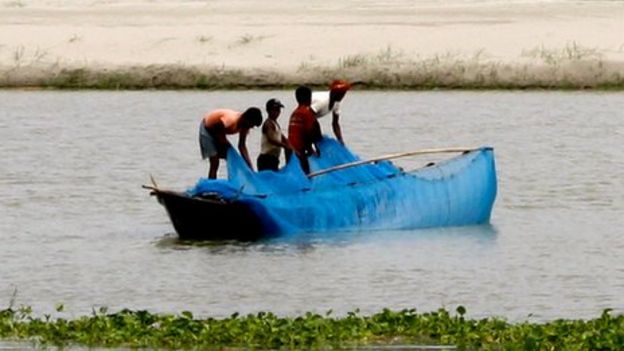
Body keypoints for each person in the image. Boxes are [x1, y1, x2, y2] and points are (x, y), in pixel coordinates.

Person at [199, 107, 262, 179]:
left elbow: (242, 146)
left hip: (219, 132)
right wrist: (228, 147)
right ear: (247, 119)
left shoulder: (245, 127)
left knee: (232, 158)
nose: (251, 127)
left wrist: (250, 167)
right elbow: (220, 134)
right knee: (214, 162)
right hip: (208, 128)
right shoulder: (230, 121)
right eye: (252, 124)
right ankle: (211, 184)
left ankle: (233, 180)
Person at [288, 86, 322, 175]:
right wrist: (314, 149)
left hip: (290, 149)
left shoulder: (294, 113)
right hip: (299, 151)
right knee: (305, 174)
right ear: (309, 98)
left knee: (296, 174)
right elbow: (310, 133)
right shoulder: (307, 113)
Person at [310, 79, 352, 144]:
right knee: (315, 133)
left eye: (343, 93)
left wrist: (340, 139)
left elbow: (335, 123)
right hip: (303, 116)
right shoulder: (323, 101)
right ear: (333, 92)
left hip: (311, 118)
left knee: (318, 136)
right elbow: (307, 115)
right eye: (340, 93)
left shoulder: (336, 102)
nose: (342, 96)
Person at [256, 98, 293, 171]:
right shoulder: (268, 124)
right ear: (268, 110)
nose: (277, 112)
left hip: (274, 159)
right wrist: (285, 146)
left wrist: (290, 147)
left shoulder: (275, 124)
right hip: (266, 158)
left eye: (278, 110)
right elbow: (271, 139)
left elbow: (282, 138)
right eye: (274, 110)